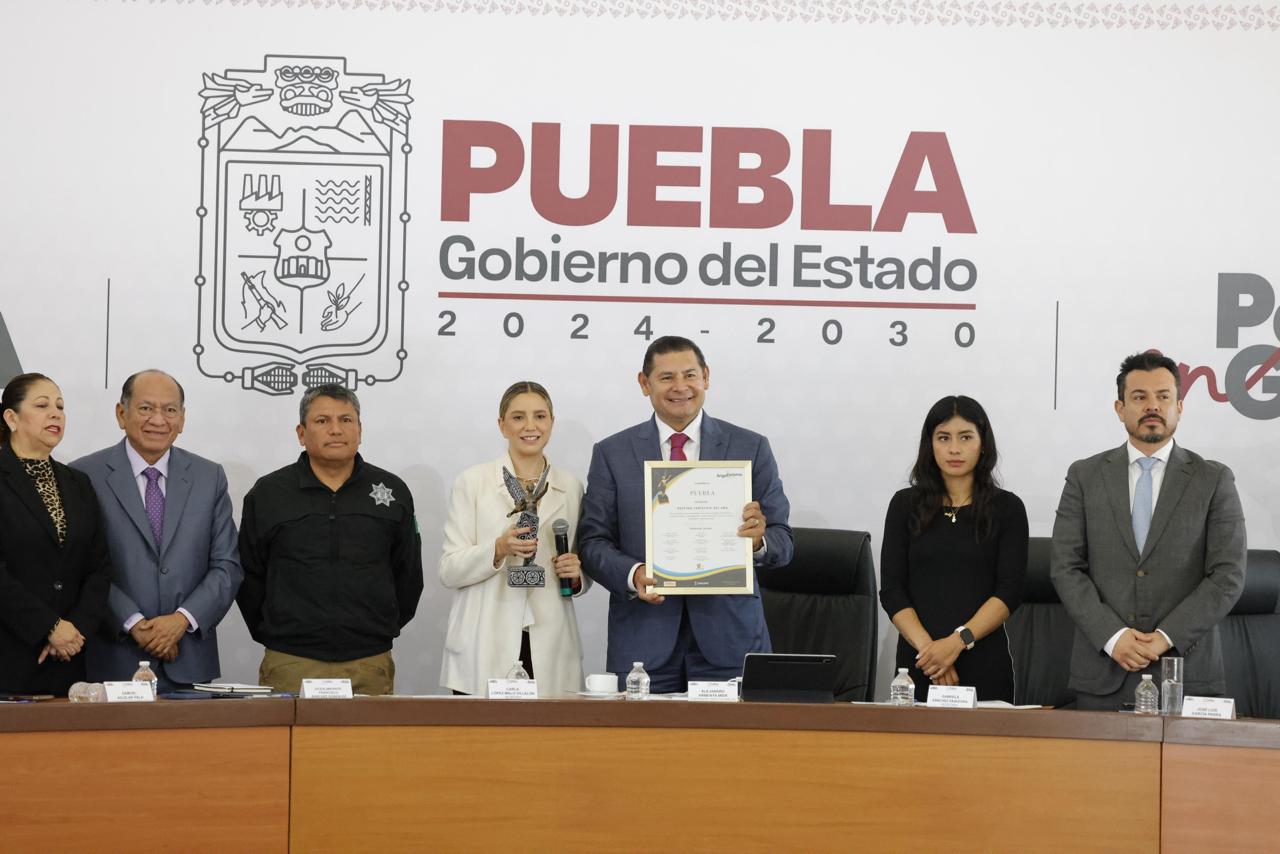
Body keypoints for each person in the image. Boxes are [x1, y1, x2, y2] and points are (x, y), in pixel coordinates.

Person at [578, 336, 793, 692]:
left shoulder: (750, 447)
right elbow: (592, 542)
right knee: (641, 732)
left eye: (690, 375)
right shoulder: (612, 453)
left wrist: (758, 541)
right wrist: (634, 573)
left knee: (732, 732)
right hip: (643, 642)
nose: (680, 387)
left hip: (731, 640)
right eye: (666, 377)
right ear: (644, 383)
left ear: (706, 377)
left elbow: (783, 542)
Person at [1050, 351, 1246, 711]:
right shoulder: (1084, 476)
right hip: (1103, 671)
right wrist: (1113, 637)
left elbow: (1228, 575)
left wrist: (1165, 638)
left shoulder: (1213, 479)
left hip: (1187, 674)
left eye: (1163, 396)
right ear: (1120, 408)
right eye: (1139, 397)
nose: (1152, 406)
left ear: (1179, 407)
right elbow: (1065, 566)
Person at [236, 384, 423, 695]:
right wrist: (281, 634)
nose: (336, 429)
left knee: (370, 732)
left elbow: (409, 575)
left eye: (346, 420)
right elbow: (248, 576)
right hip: (290, 661)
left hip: (369, 662)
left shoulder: (393, 491)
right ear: (301, 433)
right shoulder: (268, 493)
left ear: (360, 430)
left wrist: (375, 632)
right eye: (322, 421)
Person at [72, 370, 243, 692]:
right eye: (146, 408)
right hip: (112, 657)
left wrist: (181, 620)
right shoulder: (84, 475)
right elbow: (79, 566)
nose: (158, 420)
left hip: (189, 661)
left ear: (182, 419)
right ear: (121, 414)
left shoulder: (209, 477)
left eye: (170, 410)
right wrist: (133, 623)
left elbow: (227, 565)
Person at [439, 381, 590, 697]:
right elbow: (449, 570)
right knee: (484, 730)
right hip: (485, 639)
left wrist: (577, 575)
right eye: (518, 417)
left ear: (552, 423)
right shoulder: (473, 482)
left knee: (548, 729)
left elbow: (582, 568)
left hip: (550, 637)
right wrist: (497, 549)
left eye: (540, 416)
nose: (530, 426)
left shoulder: (571, 487)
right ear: (502, 425)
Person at [879, 396, 1028, 702]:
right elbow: (892, 591)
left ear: (983, 444)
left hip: (983, 662)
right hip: (918, 663)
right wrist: (931, 653)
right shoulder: (904, 505)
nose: (954, 449)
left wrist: (956, 643)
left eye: (966, 437)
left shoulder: (1007, 508)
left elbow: (1009, 592)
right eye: (944, 438)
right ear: (930, 445)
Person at [0, 374, 110, 696]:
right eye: (42, 405)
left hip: (69, 657)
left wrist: (74, 631)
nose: (56, 414)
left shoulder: (79, 483)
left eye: (60, 407)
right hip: (10, 650)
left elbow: (99, 567)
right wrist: (48, 627)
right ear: (11, 418)